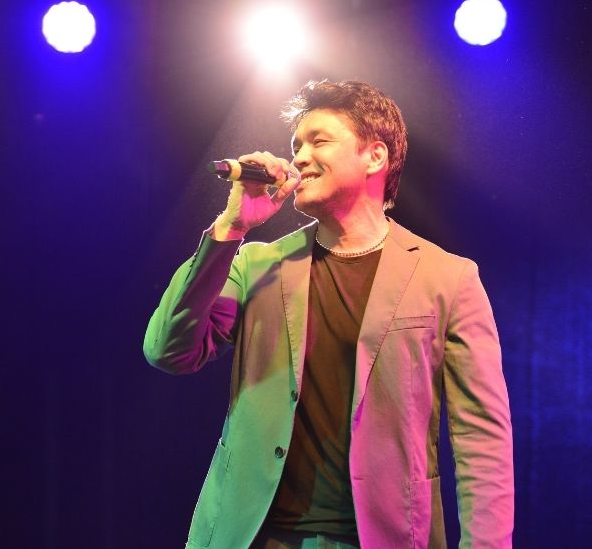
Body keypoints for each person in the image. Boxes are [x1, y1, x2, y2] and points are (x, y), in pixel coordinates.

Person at [144, 80, 514, 549]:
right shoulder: (257, 264)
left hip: (381, 538)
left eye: (318, 141)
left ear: (375, 156)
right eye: (296, 146)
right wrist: (231, 228)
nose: (299, 158)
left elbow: (482, 438)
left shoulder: (448, 278)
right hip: (255, 536)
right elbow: (167, 351)